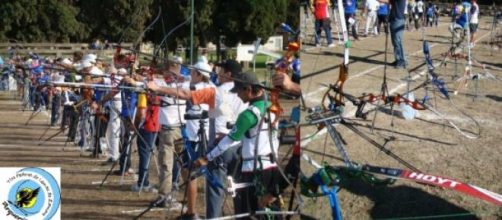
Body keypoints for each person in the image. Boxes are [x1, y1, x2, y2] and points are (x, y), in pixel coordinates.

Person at [147, 59, 248, 218]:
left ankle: (204, 215)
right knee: (239, 188)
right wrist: (182, 77)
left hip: (219, 147)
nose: (218, 73)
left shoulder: (217, 92)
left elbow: (185, 94)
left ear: (228, 74)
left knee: (214, 191)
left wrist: (157, 87)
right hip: (239, 147)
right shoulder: (244, 91)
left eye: (221, 71)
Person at [193, 72, 285, 217]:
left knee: (249, 214)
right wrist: (236, 136)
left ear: (248, 89)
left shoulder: (248, 114)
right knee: (270, 214)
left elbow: (228, 141)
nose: (238, 96)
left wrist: (206, 158)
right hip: (272, 168)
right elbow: (257, 136)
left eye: (239, 91)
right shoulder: (271, 106)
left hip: (255, 171)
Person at [380, 0, 408, 69]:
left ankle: (402, 61)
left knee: (397, 41)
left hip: (397, 20)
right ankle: (398, 59)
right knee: (395, 42)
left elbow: (387, 0)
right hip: (394, 19)